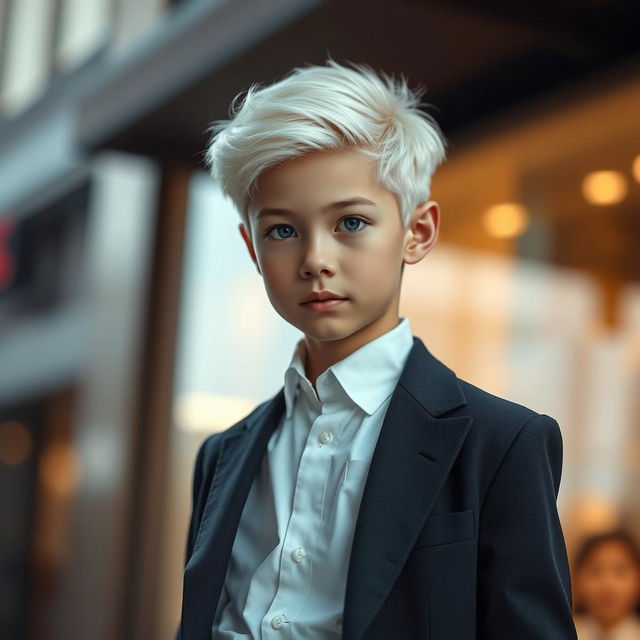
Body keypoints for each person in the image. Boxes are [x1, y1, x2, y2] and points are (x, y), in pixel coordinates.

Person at [174, 57, 577, 639]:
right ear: (252, 247)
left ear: (417, 232)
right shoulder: (222, 455)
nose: (316, 259)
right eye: (282, 230)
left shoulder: (503, 443)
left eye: (351, 223)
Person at [573, 529, 640, 639]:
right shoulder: (561, 633)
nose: (607, 584)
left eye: (620, 571)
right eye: (595, 571)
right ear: (575, 579)